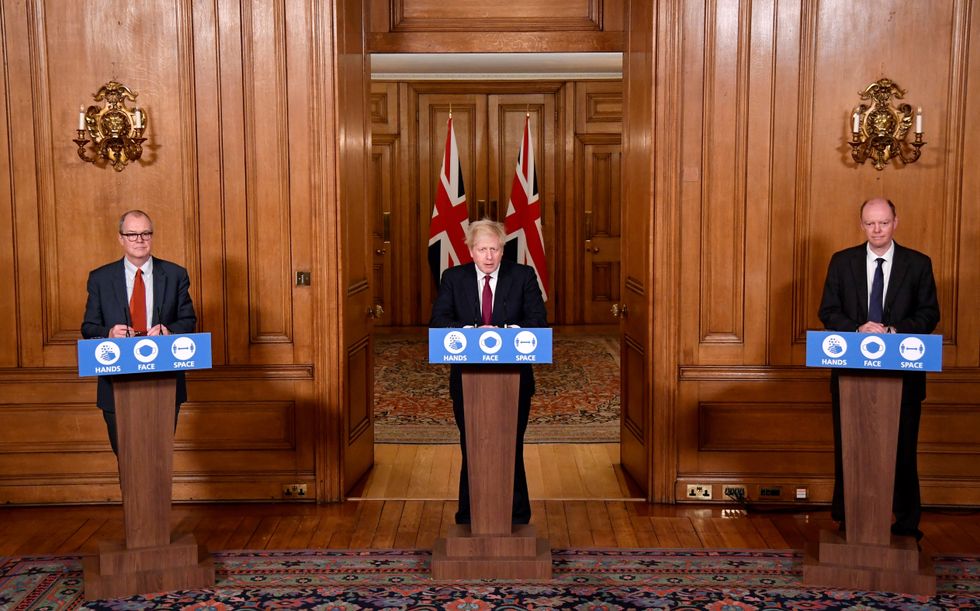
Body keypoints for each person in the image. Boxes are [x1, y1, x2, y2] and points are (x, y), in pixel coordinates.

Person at [818, 197, 940, 540]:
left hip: (905, 376)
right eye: (870, 224)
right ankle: (847, 517)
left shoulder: (918, 264)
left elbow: (929, 314)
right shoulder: (842, 262)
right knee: (850, 449)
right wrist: (858, 328)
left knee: (903, 451)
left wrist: (893, 332)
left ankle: (905, 523)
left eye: (883, 223)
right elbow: (828, 311)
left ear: (895, 222)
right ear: (861, 224)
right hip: (851, 376)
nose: (876, 230)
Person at [430, 219, 548, 525]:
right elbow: (439, 322)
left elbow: (538, 322)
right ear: (470, 251)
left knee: (511, 444)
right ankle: (469, 513)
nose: (489, 256)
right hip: (467, 381)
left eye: (494, 249)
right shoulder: (453, 278)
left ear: (502, 249)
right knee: (472, 444)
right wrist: (473, 332)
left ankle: (517, 515)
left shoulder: (522, 276)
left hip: (515, 380)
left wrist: (504, 332)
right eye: (482, 249)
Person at [81, 210, 197, 454]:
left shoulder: (176, 275)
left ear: (152, 237)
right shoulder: (100, 278)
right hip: (117, 382)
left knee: (157, 456)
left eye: (145, 233)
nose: (139, 239)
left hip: (163, 381)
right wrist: (109, 332)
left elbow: (188, 321)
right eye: (132, 234)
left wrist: (168, 331)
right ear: (121, 238)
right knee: (127, 458)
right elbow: (89, 327)